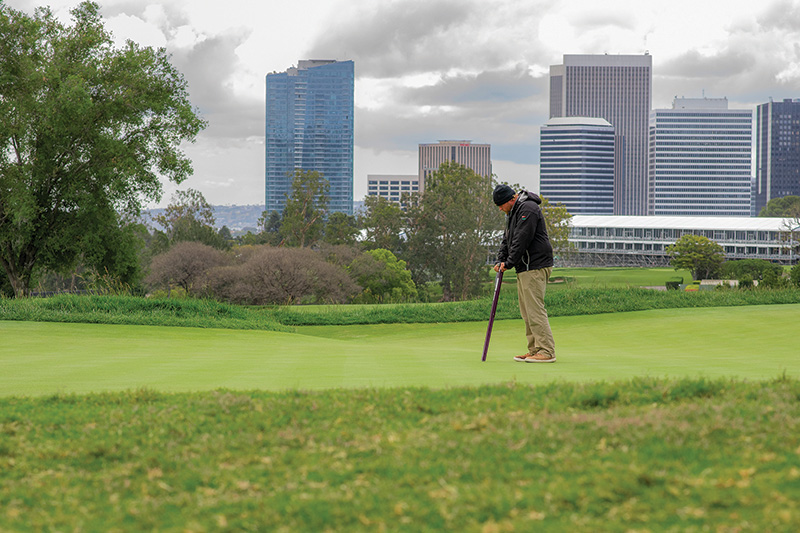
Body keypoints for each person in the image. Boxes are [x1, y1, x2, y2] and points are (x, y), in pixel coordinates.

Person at [493, 184, 556, 363]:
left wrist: (510, 262)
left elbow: (522, 238)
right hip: (525, 267)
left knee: (535, 310)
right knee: (527, 312)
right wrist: (500, 260)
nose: (500, 208)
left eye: (501, 205)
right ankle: (535, 349)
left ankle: (546, 351)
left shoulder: (528, 208)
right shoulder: (513, 212)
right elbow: (507, 239)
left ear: (511, 200)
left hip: (534, 265)